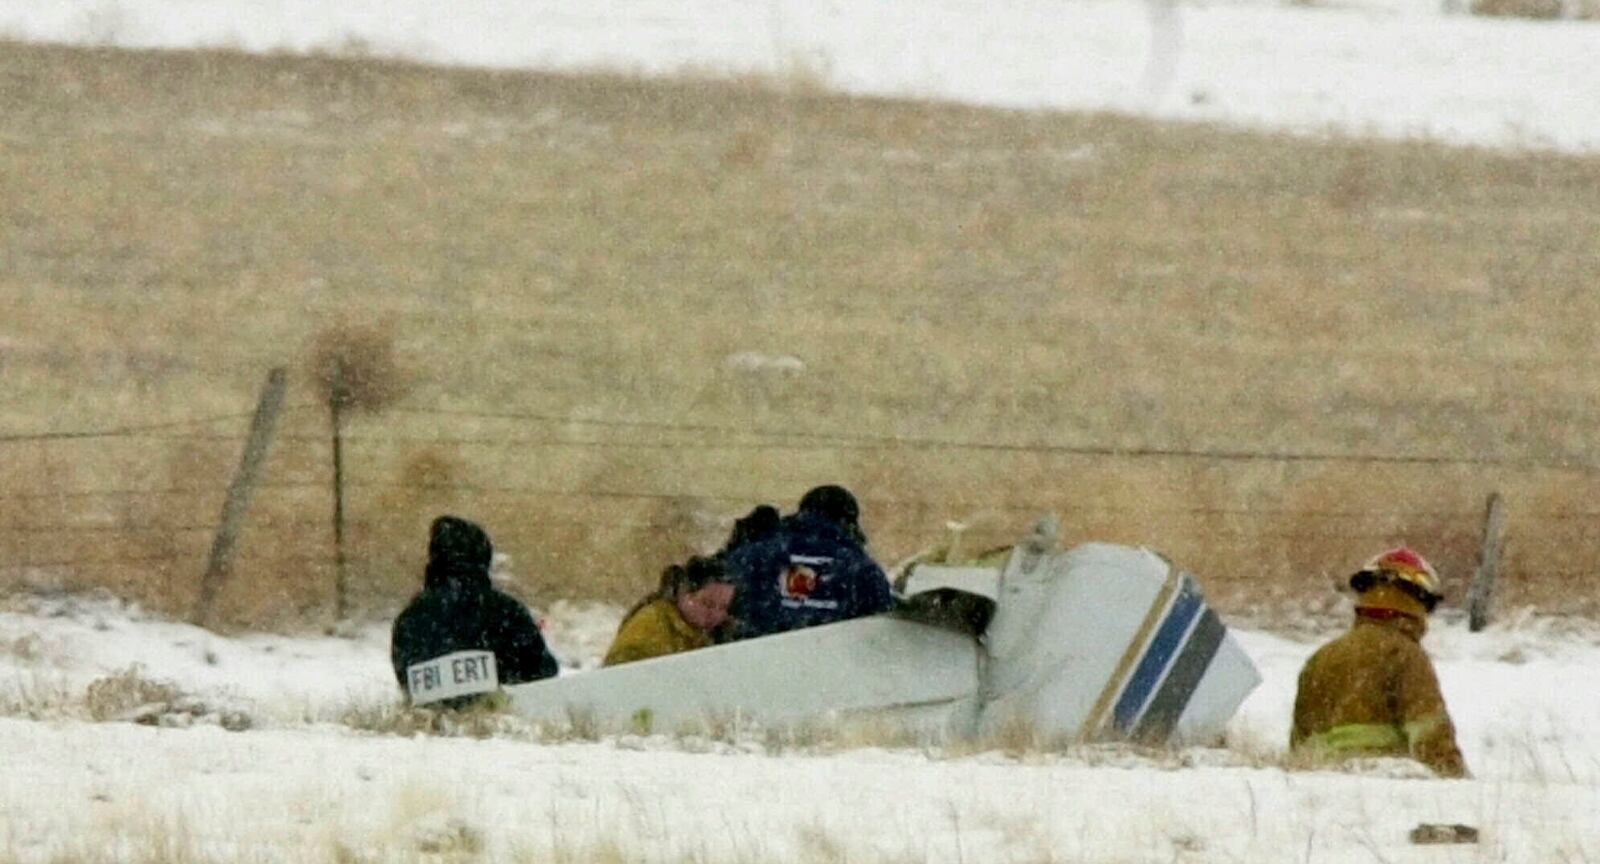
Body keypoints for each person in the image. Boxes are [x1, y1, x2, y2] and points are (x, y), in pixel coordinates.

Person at [1290, 547, 1468, 778]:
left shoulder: (1321, 657)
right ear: (1417, 601)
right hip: (1384, 790)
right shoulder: (1405, 655)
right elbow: (1431, 735)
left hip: (1324, 790)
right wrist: (1456, 781)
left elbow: (1299, 746)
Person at [391, 515, 559, 708]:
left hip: (428, 724)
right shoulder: (506, 611)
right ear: (483, 558)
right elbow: (544, 671)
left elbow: (405, 677)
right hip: (497, 721)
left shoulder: (410, 617)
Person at [724, 484, 895, 639]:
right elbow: (882, 629)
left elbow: (721, 605)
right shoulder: (862, 570)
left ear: (801, 512)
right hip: (831, 666)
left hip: (754, 664)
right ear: (850, 524)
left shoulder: (755, 555)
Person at [603, 555, 736, 666]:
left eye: (723, 607)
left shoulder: (720, 633)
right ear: (684, 594)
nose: (715, 614)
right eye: (707, 603)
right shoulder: (650, 628)